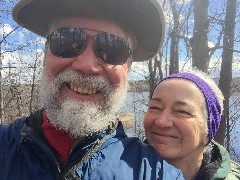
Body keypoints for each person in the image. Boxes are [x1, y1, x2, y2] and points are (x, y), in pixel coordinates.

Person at [0, 0, 184, 179]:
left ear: (128, 67)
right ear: (45, 53)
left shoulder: (156, 172)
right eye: (66, 41)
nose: (87, 65)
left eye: (112, 48)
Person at [144, 69, 240, 180]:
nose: (161, 122)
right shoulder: (121, 167)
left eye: (182, 111)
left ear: (208, 132)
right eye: (155, 107)